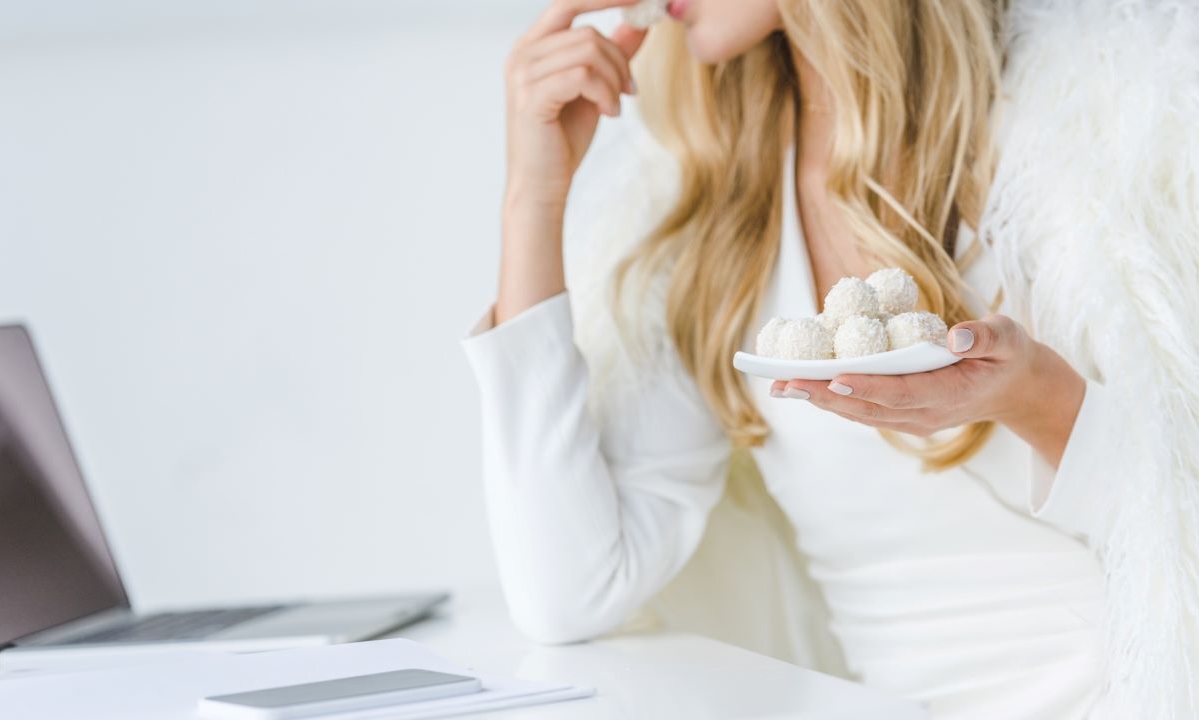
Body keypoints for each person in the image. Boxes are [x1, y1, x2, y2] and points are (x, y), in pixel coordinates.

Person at [461, 0, 1199, 717]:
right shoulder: (725, 217)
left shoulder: (1100, 128)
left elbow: (1173, 519)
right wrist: (534, 197)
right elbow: (568, 590)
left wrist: (1034, 398)